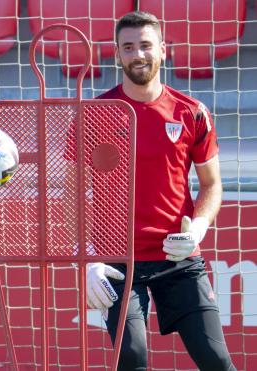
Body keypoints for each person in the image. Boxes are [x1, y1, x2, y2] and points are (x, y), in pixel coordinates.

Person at [83, 11, 235, 371]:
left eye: (146, 46)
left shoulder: (191, 112)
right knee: (132, 357)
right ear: (117, 54)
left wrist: (197, 228)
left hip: (178, 256)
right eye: (129, 47)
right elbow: (73, 189)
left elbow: (212, 186)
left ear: (163, 50)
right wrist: (87, 256)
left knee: (216, 360)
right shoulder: (95, 113)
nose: (138, 55)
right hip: (119, 259)